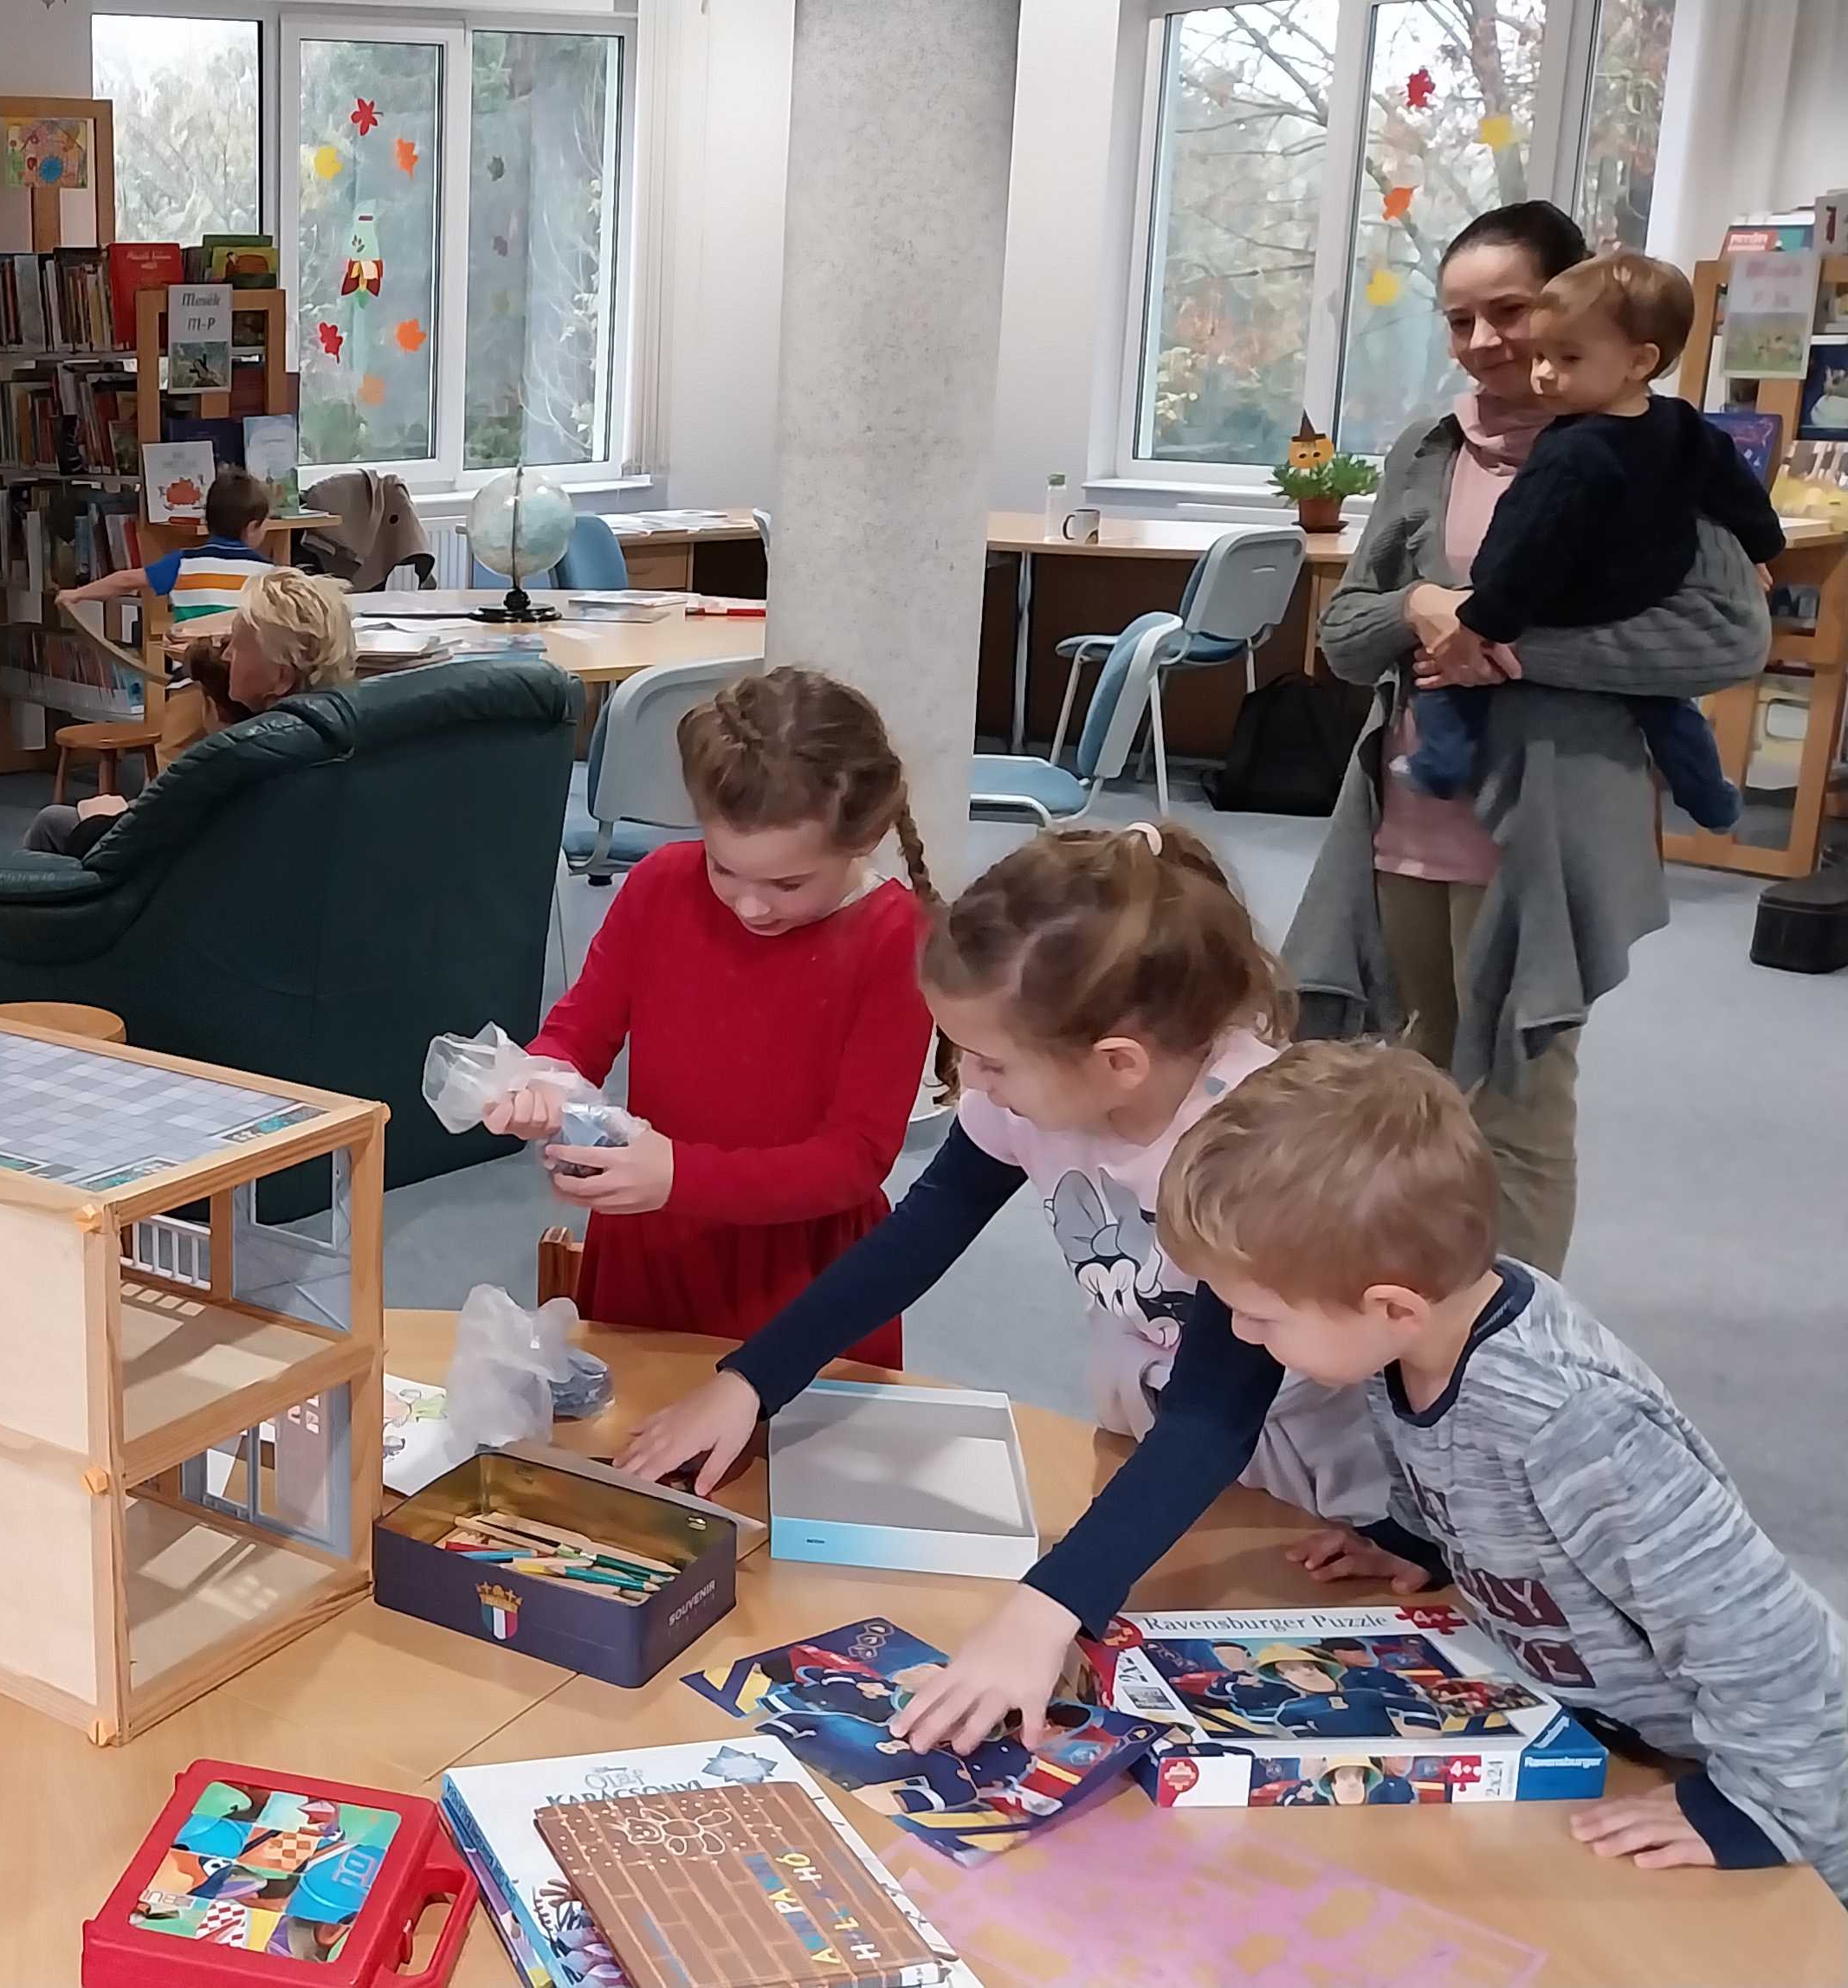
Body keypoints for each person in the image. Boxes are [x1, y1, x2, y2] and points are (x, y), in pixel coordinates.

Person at [618, 821, 1383, 1757]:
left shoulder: (1249, 1143)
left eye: (989, 1062)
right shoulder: (1045, 1085)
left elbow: (1216, 1417)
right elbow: (921, 1234)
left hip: (1306, 1477)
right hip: (1151, 1442)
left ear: (1117, 1061)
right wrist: (752, 1378)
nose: (967, 1083)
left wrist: (1045, 1606)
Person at [1157, 1040, 1846, 1893]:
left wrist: (1762, 1804)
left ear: (1392, 1306)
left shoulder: (1571, 1423)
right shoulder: (1405, 1341)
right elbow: (1449, 1467)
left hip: (1791, 1781)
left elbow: (1761, 1633)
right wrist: (1415, 1539)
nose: (1239, 1336)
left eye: (1261, 1316)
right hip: (1626, 1730)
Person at [1291, 201, 1773, 1276]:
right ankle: (1412, 1305)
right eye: (1459, 319)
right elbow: (1345, 633)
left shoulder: (1650, 451)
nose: (1484, 342)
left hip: (1544, 828)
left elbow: (1726, 634)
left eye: (1509, 311)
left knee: (1517, 1098)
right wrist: (1422, 605)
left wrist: (1503, 646)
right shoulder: (1429, 450)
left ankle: (1507, 1343)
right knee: (1416, 1073)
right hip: (1408, 813)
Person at [477, 668, 937, 1360]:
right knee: (631, 1420)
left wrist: (679, 1176)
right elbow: (578, 1032)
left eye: (787, 883)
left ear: (865, 837)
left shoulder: (896, 938)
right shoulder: (661, 885)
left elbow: (855, 1159)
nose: (750, 905)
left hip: (801, 1266)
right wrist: (541, 1080)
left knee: (783, 1431)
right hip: (653, 1242)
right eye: (724, 867)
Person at [1401, 252, 1776, 830]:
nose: (1544, 374)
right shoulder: (1682, 424)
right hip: (1647, 591)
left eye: (1568, 359)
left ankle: (1440, 765)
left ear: (1640, 361)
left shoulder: (1572, 452)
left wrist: (1482, 621)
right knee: (1667, 708)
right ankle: (1711, 797)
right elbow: (1736, 488)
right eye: (1542, 356)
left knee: (1451, 683)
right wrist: (1761, 548)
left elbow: (1529, 544)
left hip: (1572, 603)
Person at [23, 566, 358, 860]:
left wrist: (101, 820)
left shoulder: (233, 759)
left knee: (53, 823)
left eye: (237, 644)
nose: (226, 655)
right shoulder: (342, 738)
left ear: (281, 677)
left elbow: (144, 853)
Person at [56, 467, 276, 629]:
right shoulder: (268, 574)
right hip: (244, 673)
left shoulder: (183, 563)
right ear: (252, 527)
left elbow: (126, 580)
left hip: (192, 669)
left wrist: (78, 594)